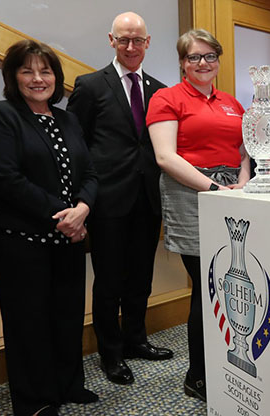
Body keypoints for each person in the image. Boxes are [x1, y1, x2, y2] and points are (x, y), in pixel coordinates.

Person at [0, 40, 99, 416]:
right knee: (28, 322)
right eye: (27, 71)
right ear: (13, 77)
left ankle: (67, 384)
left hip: (69, 239)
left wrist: (81, 208)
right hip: (22, 241)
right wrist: (62, 216)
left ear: (56, 77)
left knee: (66, 316)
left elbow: (91, 174)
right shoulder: (0, 115)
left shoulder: (68, 119)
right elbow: (8, 180)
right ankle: (32, 400)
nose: (37, 78)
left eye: (45, 71)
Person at [67, 11, 173, 386]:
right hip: (108, 202)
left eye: (138, 40)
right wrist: (82, 198)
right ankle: (110, 354)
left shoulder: (161, 91)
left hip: (147, 199)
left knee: (141, 277)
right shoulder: (90, 85)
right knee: (109, 281)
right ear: (111, 41)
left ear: (148, 43)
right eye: (124, 40)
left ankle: (136, 340)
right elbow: (75, 147)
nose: (131, 47)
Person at [147, 29, 250, 402]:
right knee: (208, 287)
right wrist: (213, 190)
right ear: (181, 62)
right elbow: (165, 157)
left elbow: (244, 150)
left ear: (218, 61)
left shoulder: (231, 103)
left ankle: (229, 361)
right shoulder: (167, 98)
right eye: (194, 57)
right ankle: (199, 375)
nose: (203, 63)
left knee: (232, 283)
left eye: (210, 56)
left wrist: (242, 182)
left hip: (232, 193)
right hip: (190, 192)